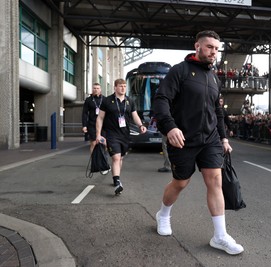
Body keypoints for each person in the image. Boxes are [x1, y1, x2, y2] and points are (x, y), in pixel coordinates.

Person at [153, 30, 244, 255]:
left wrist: (223, 137)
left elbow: (217, 111)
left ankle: (220, 236)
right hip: (182, 138)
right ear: (197, 46)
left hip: (210, 139)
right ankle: (163, 214)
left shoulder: (214, 78)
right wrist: (170, 126)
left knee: (215, 179)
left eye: (216, 48)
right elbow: (162, 99)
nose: (214, 52)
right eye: (210, 47)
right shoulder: (179, 71)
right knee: (180, 183)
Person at [96, 78, 147, 195]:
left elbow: (135, 116)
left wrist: (140, 125)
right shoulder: (107, 101)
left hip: (125, 135)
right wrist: (98, 134)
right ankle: (117, 182)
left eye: (124, 86)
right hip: (111, 134)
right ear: (115, 87)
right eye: (120, 86)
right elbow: (100, 118)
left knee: (121, 158)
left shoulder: (130, 101)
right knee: (116, 157)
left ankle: (116, 177)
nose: (123, 88)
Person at [82, 83, 105, 153]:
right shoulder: (88, 100)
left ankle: (103, 162)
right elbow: (84, 113)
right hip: (92, 124)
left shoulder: (105, 99)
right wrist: (84, 125)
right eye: (94, 88)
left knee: (104, 143)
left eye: (97, 88)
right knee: (94, 143)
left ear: (100, 90)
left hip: (104, 125)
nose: (96, 90)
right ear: (92, 89)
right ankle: (94, 162)